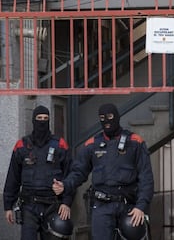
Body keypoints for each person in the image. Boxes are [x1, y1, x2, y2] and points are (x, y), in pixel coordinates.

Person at [52, 103, 154, 240]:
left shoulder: (135, 142)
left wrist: (141, 206)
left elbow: (146, 177)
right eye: (102, 118)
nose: (106, 122)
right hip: (101, 207)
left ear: (117, 117)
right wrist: (65, 185)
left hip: (129, 207)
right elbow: (78, 172)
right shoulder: (92, 145)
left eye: (110, 117)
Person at [3, 105, 74, 240]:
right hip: (29, 206)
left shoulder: (60, 145)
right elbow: (13, 177)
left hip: (54, 206)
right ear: (33, 120)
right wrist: (8, 206)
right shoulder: (22, 146)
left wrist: (67, 202)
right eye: (39, 118)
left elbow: (70, 175)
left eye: (46, 118)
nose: (42, 121)